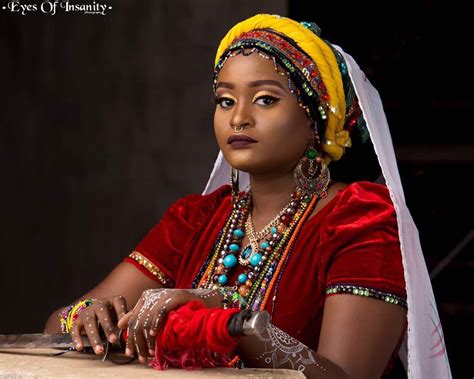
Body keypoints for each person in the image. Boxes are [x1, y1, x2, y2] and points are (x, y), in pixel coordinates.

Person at [44, 14, 451, 378]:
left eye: (265, 99)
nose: (238, 117)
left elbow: (344, 375)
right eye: (225, 100)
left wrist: (229, 322)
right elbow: (54, 325)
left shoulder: (356, 218)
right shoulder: (197, 219)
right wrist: (87, 318)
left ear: (317, 117)